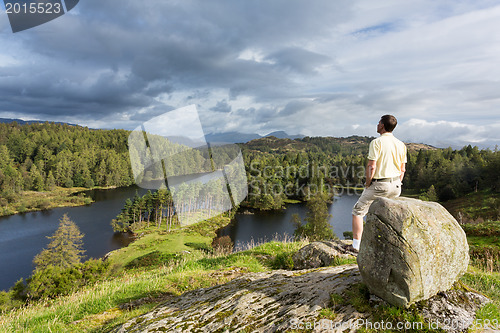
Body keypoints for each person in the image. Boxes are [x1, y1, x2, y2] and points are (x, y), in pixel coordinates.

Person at [351, 115, 407, 251]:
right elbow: (402, 169)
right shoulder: (401, 144)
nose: (377, 124)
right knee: (387, 215)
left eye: (378, 122)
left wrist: (368, 183)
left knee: (357, 212)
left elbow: (371, 166)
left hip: (380, 184)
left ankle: (356, 247)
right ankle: (390, 246)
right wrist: (397, 183)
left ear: (382, 125)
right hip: (396, 185)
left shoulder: (377, 142)